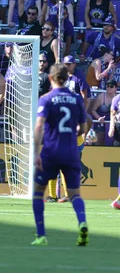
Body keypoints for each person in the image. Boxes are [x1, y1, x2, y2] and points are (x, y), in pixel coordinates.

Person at [31, 63, 89, 246]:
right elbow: (84, 127)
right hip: (71, 152)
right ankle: (82, 223)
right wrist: (74, 132)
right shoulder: (76, 99)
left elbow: (39, 125)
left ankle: (41, 235)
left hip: (50, 151)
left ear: (50, 78)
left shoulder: (46, 99)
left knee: (38, 192)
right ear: (67, 77)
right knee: (75, 195)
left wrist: (35, 152)